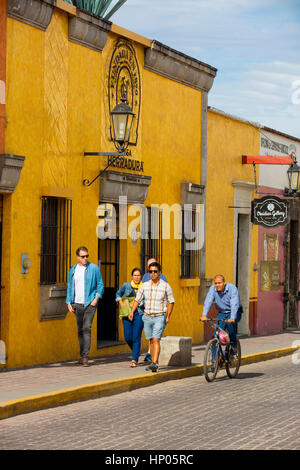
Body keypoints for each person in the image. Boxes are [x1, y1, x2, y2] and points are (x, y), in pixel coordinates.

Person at [129, 262, 175, 373]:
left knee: (156, 339)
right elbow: (137, 299)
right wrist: (132, 312)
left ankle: (154, 363)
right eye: (150, 271)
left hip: (159, 316)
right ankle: (153, 362)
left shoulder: (165, 286)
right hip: (147, 317)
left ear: (159, 272)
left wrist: (168, 316)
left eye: (155, 271)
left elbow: (171, 301)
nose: (153, 273)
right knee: (151, 340)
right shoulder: (145, 285)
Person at [66, 246, 104, 366]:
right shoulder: (73, 270)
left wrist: (96, 299)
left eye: (87, 256)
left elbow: (100, 285)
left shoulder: (94, 268)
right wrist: (69, 302)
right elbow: (70, 287)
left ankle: (85, 357)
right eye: (83, 256)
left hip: (90, 303)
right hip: (77, 304)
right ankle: (82, 355)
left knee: (87, 328)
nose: (85, 258)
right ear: (78, 257)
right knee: (80, 330)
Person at [201, 274, 242, 353]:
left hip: (235, 311)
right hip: (222, 312)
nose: (217, 285)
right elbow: (208, 301)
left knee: (230, 325)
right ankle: (215, 361)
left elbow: (234, 304)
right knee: (215, 335)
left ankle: (233, 346)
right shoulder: (212, 289)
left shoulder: (232, 288)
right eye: (215, 283)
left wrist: (232, 317)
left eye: (219, 283)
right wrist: (204, 315)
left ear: (224, 283)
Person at [115, 268, 144, 368]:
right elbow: (118, 294)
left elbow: (147, 300)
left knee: (136, 336)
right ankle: (136, 351)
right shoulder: (126, 285)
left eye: (138, 275)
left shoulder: (144, 287)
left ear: (141, 277)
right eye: (135, 275)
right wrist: (120, 301)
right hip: (126, 314)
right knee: (127, 337)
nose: (136, 277)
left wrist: (137, 303)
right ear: (132, 276)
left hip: (139, 314)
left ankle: (134, 359)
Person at [142, 258, 167, 362]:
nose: (152, 272)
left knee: (155, 337)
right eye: (149, 267)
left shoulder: (163, 279)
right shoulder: (145, 277)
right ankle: (151, 356)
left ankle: (152, 359)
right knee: (151, 337)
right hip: (147, 309)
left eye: (153, 268)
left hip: (158, 312)